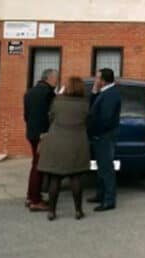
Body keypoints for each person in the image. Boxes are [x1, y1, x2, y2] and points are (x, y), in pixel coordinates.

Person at [36, 76, 90, 220]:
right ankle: (78, 211)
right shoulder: (85, 103)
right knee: (76, 178)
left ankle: (52, 211)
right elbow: (87, 121)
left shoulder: (57, 101)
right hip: (77, 143)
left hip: (57, 142)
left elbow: (51, 118)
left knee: (55, 178)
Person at [23, 68, 57, 212]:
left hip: (31, 133)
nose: (56, 81)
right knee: (39, 167)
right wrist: (45, 132)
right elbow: (50, 115)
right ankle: (35, 201)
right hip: (42, 135)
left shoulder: (29, 92)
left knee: (35, 165)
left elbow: (26, 115)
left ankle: (31, 197)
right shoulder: (48, 93)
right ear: (49, 78)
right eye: (56, 78)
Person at [87, 68, 121, 212]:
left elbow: (105, 119)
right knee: (100, 167)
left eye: (97, 78)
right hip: (101, 136)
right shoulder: (104, 92)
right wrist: (94, 92)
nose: (95, 80)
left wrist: (95, 132)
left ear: (103, 80)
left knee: (106, 169)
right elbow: (93, 107)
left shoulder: (111, 94)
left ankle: (109, 200)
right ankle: (100, 194)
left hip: (104, 136)